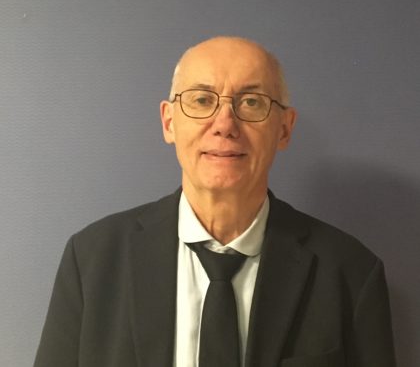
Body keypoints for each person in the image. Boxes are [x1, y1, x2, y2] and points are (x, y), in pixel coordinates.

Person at [34, 36, 396, 367]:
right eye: (202, 100)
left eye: (251, 102)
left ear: (284, 128)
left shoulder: (351, 272)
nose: (224, 124)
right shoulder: (92, 259)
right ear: (169, 122)